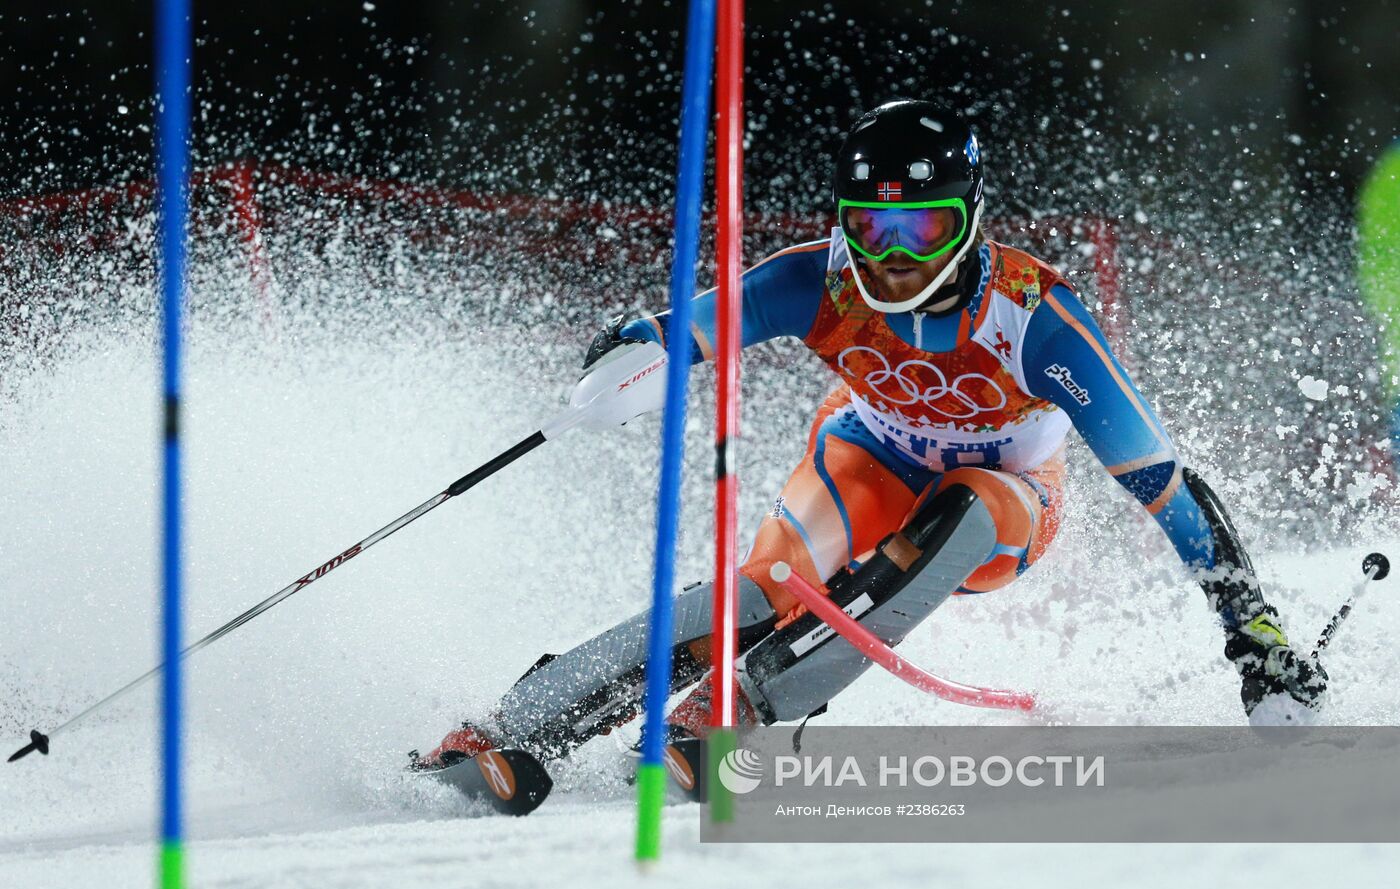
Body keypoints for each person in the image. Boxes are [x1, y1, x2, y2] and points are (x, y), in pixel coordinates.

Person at [410, 100, 1326, 772]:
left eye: (921, 227)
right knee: (766, 590)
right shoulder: (815, 280)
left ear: (967, 223)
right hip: (867, 457)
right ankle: (519, 719)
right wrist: (625, 358)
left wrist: (1253, 633)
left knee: (965, 510)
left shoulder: (1034, 317)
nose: (894, 255)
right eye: (872, 227)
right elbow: (679, 327)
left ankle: (743, 708)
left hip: (1009, 502)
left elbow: (1164, 484)